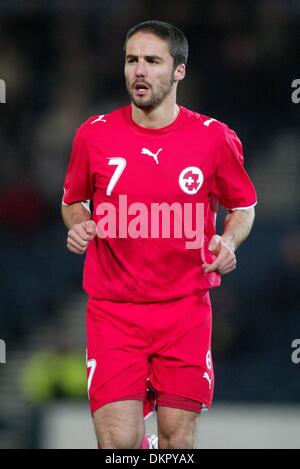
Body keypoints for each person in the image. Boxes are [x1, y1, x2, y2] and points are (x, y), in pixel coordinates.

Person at [61, 20, 257, 449]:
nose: (139, 71)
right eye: (132, 60)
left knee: (176, 441)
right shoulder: (93, 135)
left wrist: (228, 241)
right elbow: (72, 200)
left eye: (152, 61)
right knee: (118, 445)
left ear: (179, 71)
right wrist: (79, 226)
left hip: (184, 311)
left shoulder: (214, 139)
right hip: (114, 313)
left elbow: (243, 206)